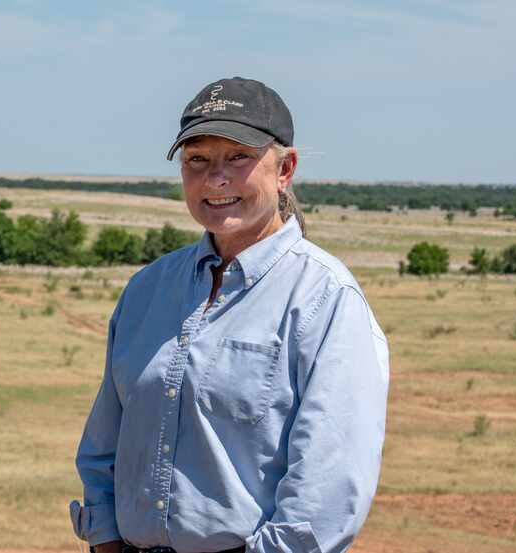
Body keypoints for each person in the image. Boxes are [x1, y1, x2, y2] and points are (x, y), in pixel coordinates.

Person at [69, 77, 390, 553]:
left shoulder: (325, 298)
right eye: (197, 159)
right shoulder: (147, 290)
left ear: (285, 170)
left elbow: (328, 490)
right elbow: (105, 444)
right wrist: (104, 540)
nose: (215, 179)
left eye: (238, 157)